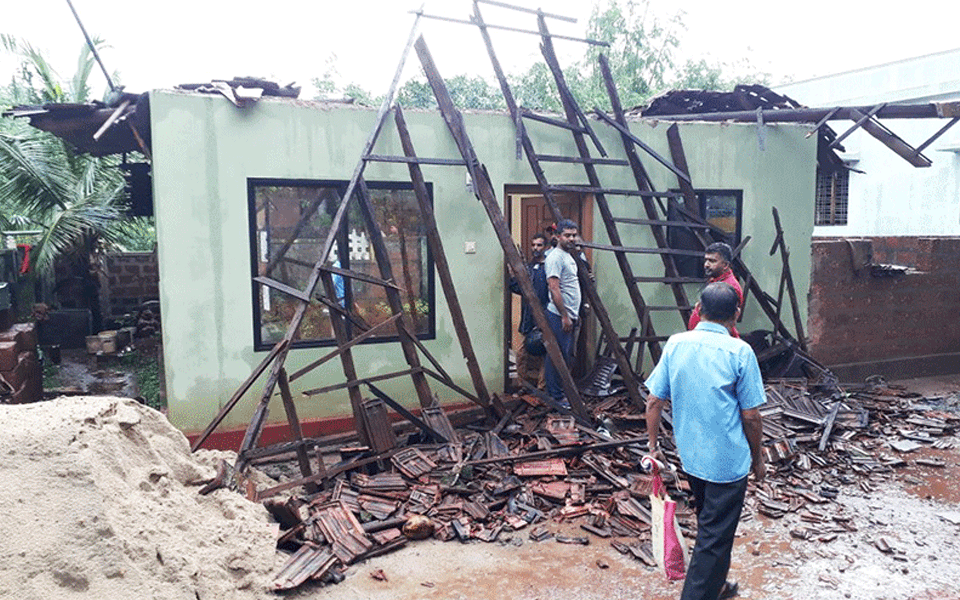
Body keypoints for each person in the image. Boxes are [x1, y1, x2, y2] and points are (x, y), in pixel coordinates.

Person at [644, 282, 766, 600]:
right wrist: (758, 459)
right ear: (736, 315)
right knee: (714, 537)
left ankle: (718, 587)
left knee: (712, 528)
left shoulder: (676, 343)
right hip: (727, 462)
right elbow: (751, 417)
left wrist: (653, 447)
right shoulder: (740, 352)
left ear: (698, 310)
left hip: (693, 457)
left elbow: (653, 402)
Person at [543, 219, 581, 408]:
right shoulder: (555, 257)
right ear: (558, 236)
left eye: (574, 235)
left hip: (569, 314)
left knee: (565, 355)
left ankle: (559, 393)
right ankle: (556, 397)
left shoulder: (569, 255)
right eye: (567, 235)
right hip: (559, 316)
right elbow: (554, 288)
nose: (571, 238)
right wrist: (564, 315)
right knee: (557, 355)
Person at [510, 234, 550, 388]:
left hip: (545, 318)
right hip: (528, 319)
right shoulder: (528, 269)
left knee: (545, 355)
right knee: (521, 355)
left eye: (539, 245)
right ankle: (523, 386)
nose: (535, 248)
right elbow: (519, 289)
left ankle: (541, 388)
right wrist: (513, 277)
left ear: (545, 247)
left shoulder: (548, 268)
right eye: (533, 245)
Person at [688, 242, 743, 337]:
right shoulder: (716, 280)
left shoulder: (729, 288)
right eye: (706, 260)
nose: (706, 265)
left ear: (725, 265)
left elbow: (723, 323)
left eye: (712, 261)